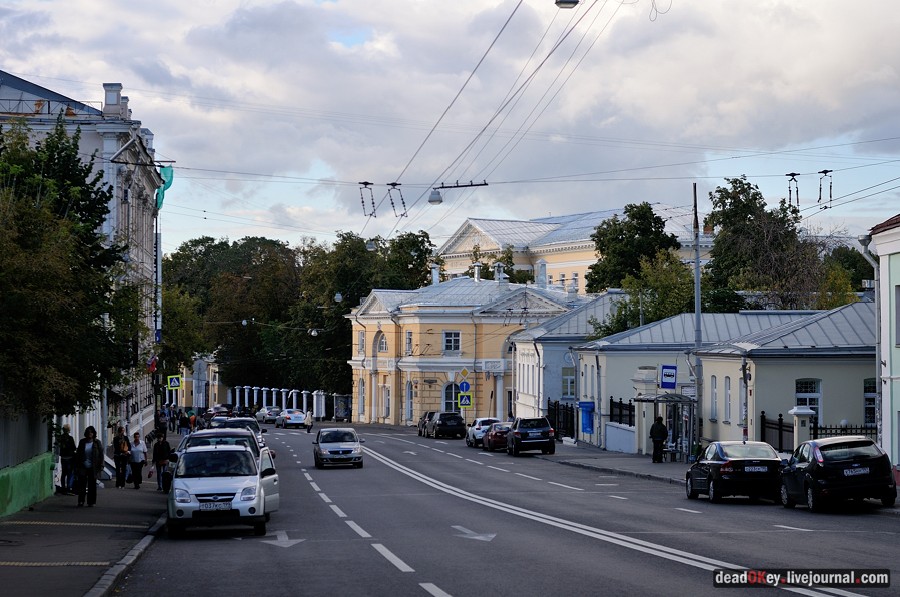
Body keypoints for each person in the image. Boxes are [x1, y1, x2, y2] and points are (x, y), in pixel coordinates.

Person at [74, 426, 103, 507]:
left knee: (92, 485)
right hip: (83, 466)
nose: (90, 434)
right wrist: (76, 466)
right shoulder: (82, 442)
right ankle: (81, 501)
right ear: (86, 433)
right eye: (88, 432)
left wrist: (101, 465)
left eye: (91, 432)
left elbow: (101, 454)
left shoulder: (97, 442)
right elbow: (78, 454)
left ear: (93, 433)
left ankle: (91, 502)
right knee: (82, 484)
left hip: (93, 466)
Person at [57, 424, 77, 494]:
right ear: (69, 430)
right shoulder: (70, 438)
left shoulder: (60, 438)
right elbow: (74, 448)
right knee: (70, 473)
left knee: (63, 473)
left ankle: (63, 488)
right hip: (70, 458)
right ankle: (68, 488)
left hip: (63, 458)